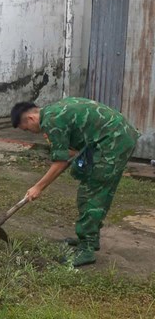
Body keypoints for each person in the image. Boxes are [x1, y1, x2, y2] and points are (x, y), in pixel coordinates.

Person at [10, 97, 139, 267]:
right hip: (118, 137)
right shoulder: (54, 111)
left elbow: (60, 163)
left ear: (31, 118)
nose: (32, 132)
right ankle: (90, 240)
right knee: (95, 187)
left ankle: (87, 249)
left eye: (27, 129)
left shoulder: (52, 121)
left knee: (90, 194)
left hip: (112, 142)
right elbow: (71, 151)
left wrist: (38, 187)